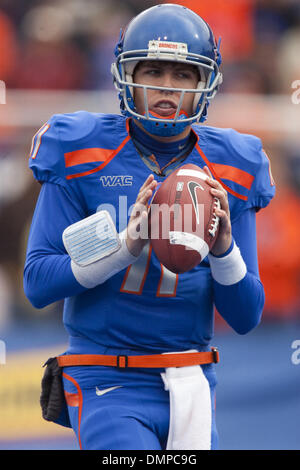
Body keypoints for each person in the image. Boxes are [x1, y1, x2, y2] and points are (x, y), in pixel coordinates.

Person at [24, 4, 275, 450]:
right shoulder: (83, 149)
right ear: (126, 75)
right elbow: (38, 283)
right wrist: (125, 246)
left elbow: (246, 317)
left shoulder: (234, 164)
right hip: (103, 373)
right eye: (154, 71)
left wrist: (224, 251)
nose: (166, 87)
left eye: (183, 75)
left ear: (205, 84)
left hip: (192, 377)